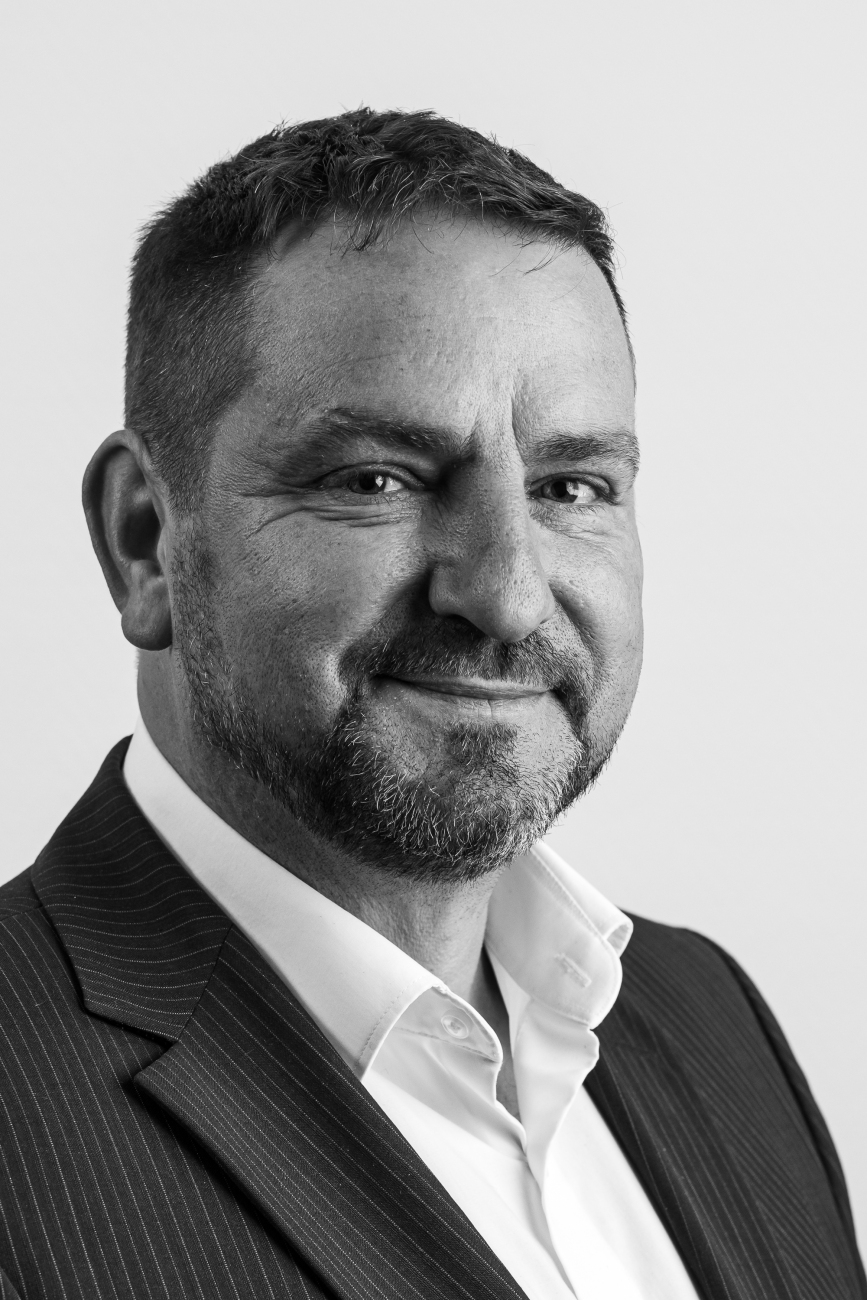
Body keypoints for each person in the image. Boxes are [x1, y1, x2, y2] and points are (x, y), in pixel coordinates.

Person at [0, 108, 862, 1300]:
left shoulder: (709, 1018)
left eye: (572, 486)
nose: (507, 592)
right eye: (377, 479)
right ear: (146, 541)